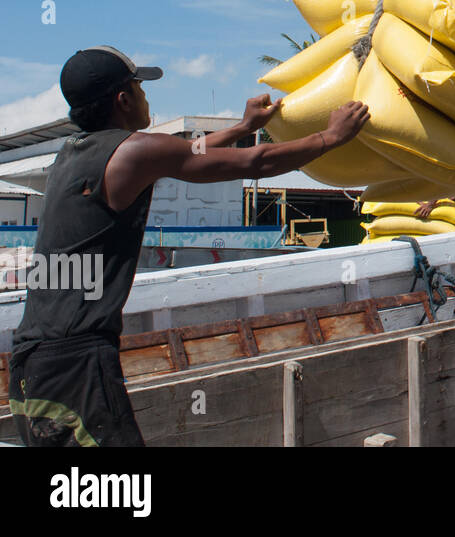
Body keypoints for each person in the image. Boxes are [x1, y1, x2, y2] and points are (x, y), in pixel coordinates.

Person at [6, 46, 369, 447]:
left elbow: (185, 152)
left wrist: (240, 127)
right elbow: (257, 162)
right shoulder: (134, 150)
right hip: (76, 365)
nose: (147, 96)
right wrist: (330, 136)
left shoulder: (73, 155)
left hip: (33, 362)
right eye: (140, 86)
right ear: (123, 100)